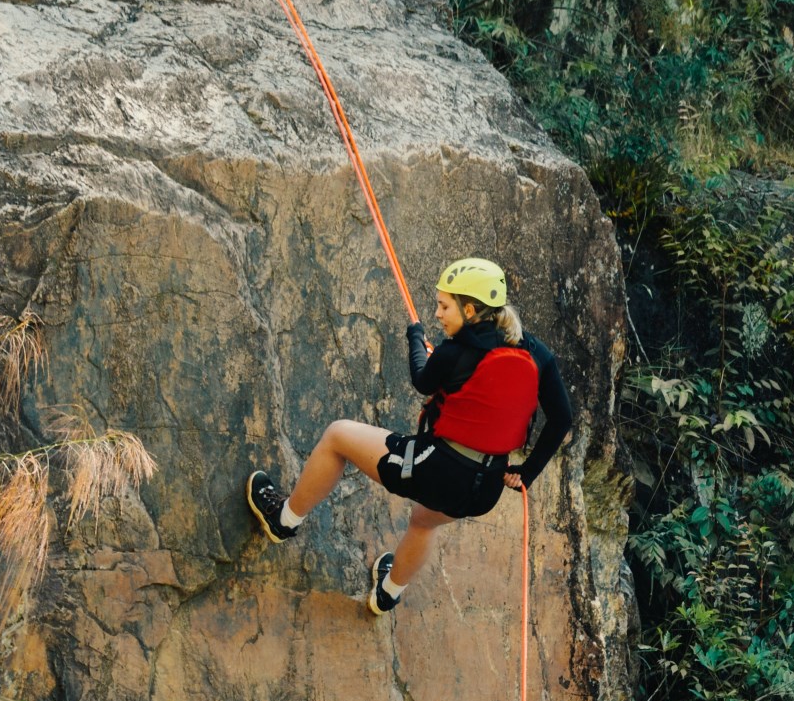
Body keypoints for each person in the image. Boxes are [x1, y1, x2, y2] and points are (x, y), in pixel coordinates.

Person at [245, 257, 573, 614]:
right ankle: (386, 594)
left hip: (436, 469)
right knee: (424, 520)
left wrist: (416, 338)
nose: (437, 314)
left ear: (469, 309)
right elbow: (561, 418)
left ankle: (283, 520)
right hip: (485, 488)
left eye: (444, 306)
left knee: (337, 436)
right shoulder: (535, 351)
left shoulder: (455, 350)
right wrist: (528, 472)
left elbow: (422, 379)